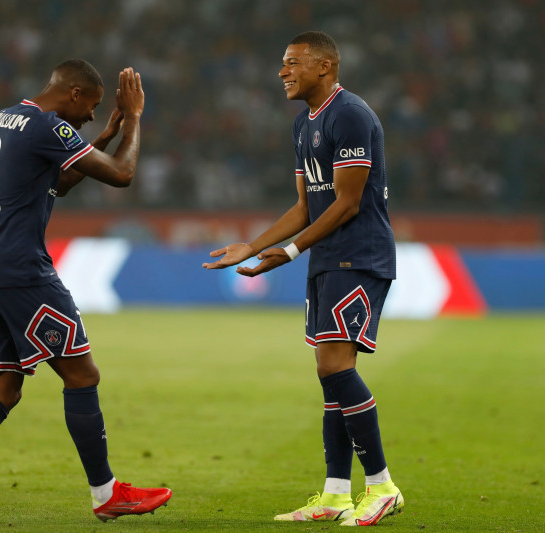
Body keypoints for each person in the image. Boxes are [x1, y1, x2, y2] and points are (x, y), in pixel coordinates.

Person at [0, 59, 171, 524]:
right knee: (83, 375)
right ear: (74, 94)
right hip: (23, 273)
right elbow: (122, 175)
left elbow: (52, 184)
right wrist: (134, 117)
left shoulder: (3, 120)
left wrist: (99, 138)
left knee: (4, 388)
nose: (88, 118)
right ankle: (106, 494)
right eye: (92, 108)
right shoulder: (46, 126)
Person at [203, 31, 403, 526]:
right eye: (282, 63)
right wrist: (253, 244)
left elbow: (348, 202)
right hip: (326, 259)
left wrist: (289, 252)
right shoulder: (302, 124)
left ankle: (381, 486)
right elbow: (304, 205)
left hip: (358, 257)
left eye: (292, 62)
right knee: (329, 374)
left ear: (325, 66)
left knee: (336, 369)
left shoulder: (351, 114)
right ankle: (336, 494)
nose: (282, 71)